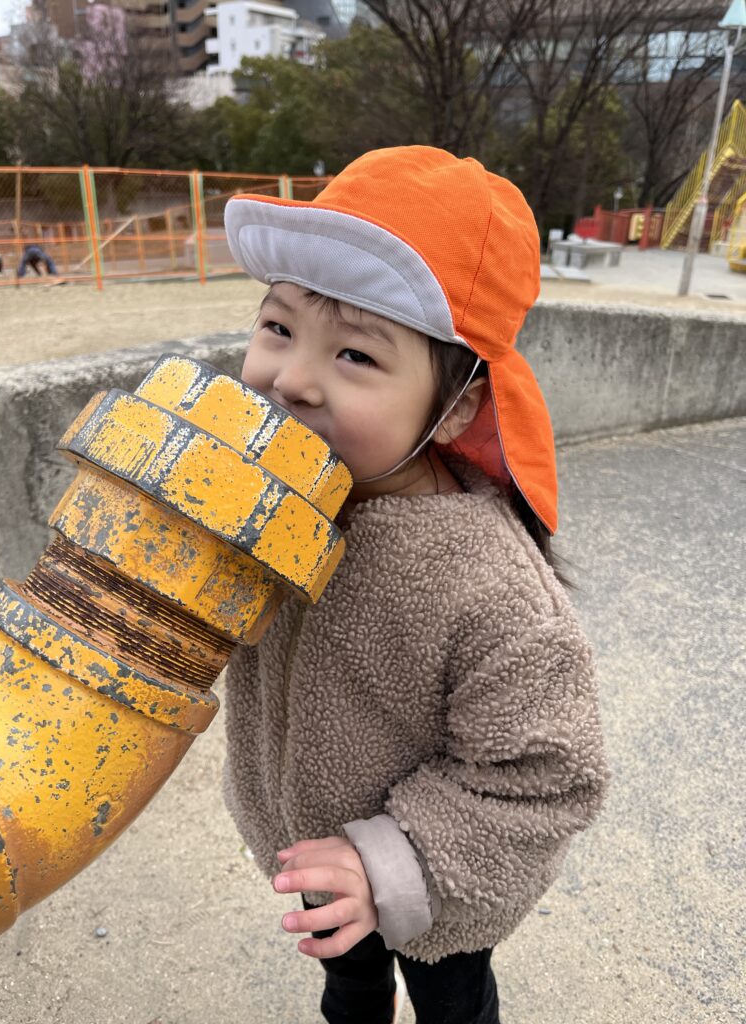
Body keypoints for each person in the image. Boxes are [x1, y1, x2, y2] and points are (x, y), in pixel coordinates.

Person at [222, 146, 608, 1024]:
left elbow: (551, 775)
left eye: (356, 354)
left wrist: (392, 868)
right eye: (278, 327)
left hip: (436, 882)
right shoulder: (271, 496)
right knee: (350, 987)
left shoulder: (489, 587)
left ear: (457, 406)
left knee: (452, 1001)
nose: (291, 380)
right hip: (309, 848)